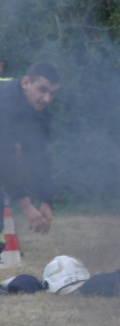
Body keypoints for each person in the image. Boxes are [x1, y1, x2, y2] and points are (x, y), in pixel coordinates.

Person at [0, 61, 60, 233]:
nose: (46, 99)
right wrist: (26, 205)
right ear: (26, 82)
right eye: (42, 89)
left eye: (52, 93)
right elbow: (4, 159)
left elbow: (39, 157)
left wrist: (46, 200)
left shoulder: (41, 113)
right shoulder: (5, 101)